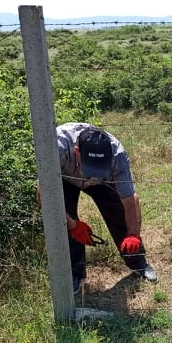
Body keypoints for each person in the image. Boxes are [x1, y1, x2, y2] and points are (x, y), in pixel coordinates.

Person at [46, 122, 157, 294]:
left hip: (103, 182)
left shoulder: (117, 155)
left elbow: (130, 200)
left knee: (119, 211)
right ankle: (75, 273)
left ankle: (138, 262)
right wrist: (72, 224)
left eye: (99, 168)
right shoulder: (56, 147)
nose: (92, 174)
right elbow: (45, 195)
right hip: (65, 179)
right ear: (77, 152)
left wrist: (133, 234)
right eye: (91, 167)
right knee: (66, 223)